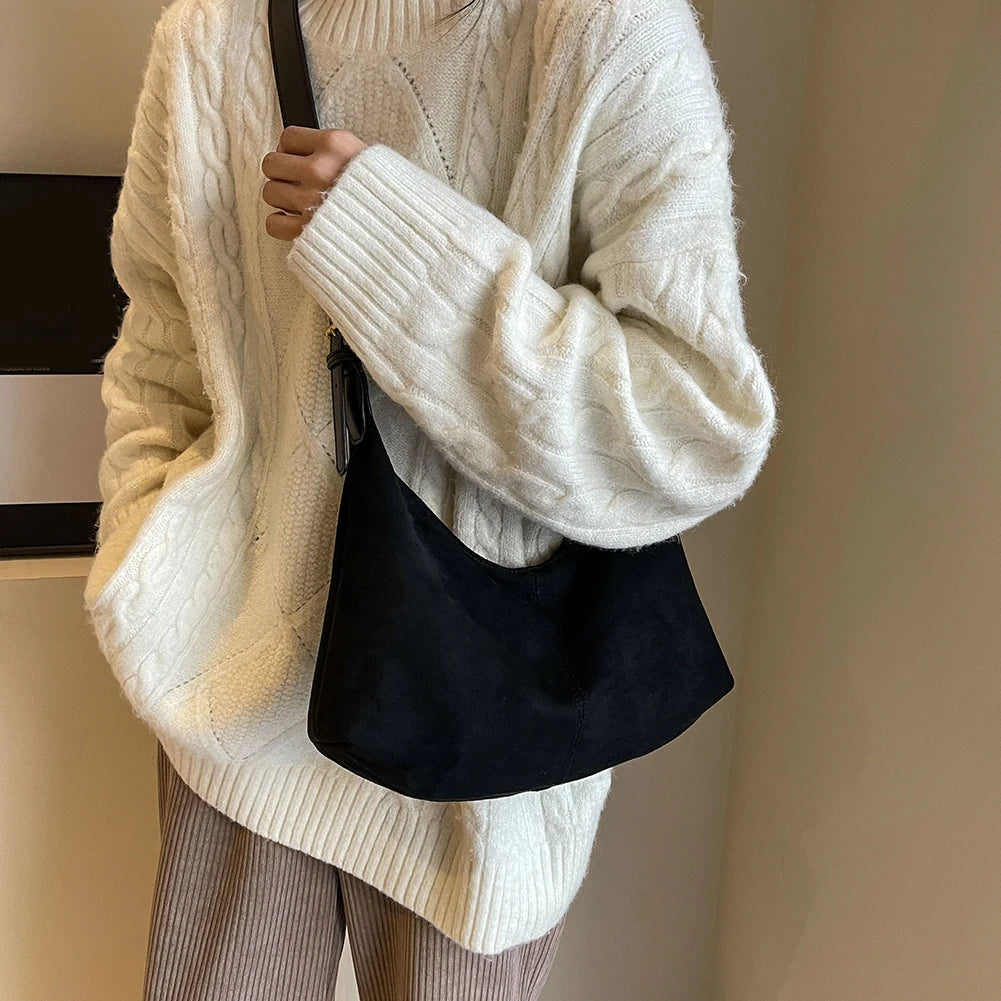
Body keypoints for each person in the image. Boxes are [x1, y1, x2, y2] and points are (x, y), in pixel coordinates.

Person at [83, 0, 779, 996]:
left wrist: (394, 242)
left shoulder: (604, 29)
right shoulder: (208, 33)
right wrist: (143, 558)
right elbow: (160, 347)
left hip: (482, 760)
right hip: (230, 699)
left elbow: (688, 431)